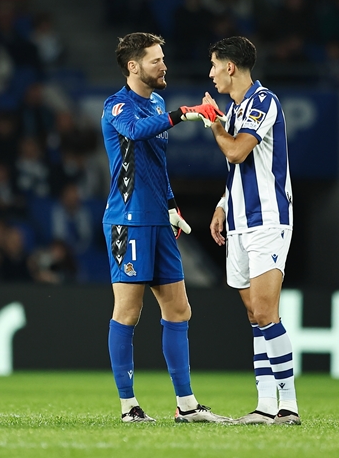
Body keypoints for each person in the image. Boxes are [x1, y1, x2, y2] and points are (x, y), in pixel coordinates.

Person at [101, 32, 228, 424]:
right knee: (128, 311)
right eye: (156, 60)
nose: (164, 66)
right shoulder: (116, 107)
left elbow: (156, 162)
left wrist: (172, 206)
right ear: (133, 66)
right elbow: (138, 133)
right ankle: (129, 407)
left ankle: (186, 405)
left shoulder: (155, 102)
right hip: (128, 220)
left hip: (159, 219)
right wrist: (183, 114)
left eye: (163, 59)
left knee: (179, 309)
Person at [203, 36, 300, 425]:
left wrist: (212, 123)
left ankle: (288, 406)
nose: (210, 73)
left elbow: (236, 152)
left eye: (213, 65)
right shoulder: (235, 109)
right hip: (241, 223)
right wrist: (223, 206)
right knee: (253, 315)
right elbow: (239, 170)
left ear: (230, 66)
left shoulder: (263, 102)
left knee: (265, 311)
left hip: (268, 222)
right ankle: (263, 405)